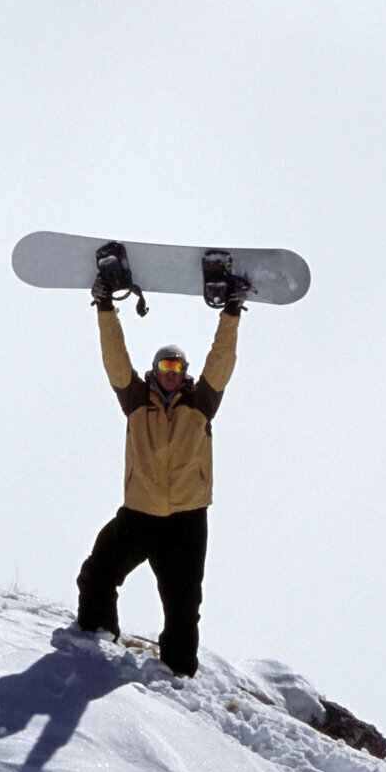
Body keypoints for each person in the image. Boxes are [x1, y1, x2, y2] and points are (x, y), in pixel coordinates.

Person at [74, 258, 246, 677]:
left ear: (184, 374)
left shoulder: (200, 404)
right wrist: (104, 308)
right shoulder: (136, 401)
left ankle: (178, 676)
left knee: (184, 606)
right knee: (98, 573)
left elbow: (220, 360)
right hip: (140, 514)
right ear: (154, 372)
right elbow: (115, 359)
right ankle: (93, 642)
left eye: (177, 368)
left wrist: (231, 313)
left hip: (186, 520)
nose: (170, 374)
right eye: (163, 367)